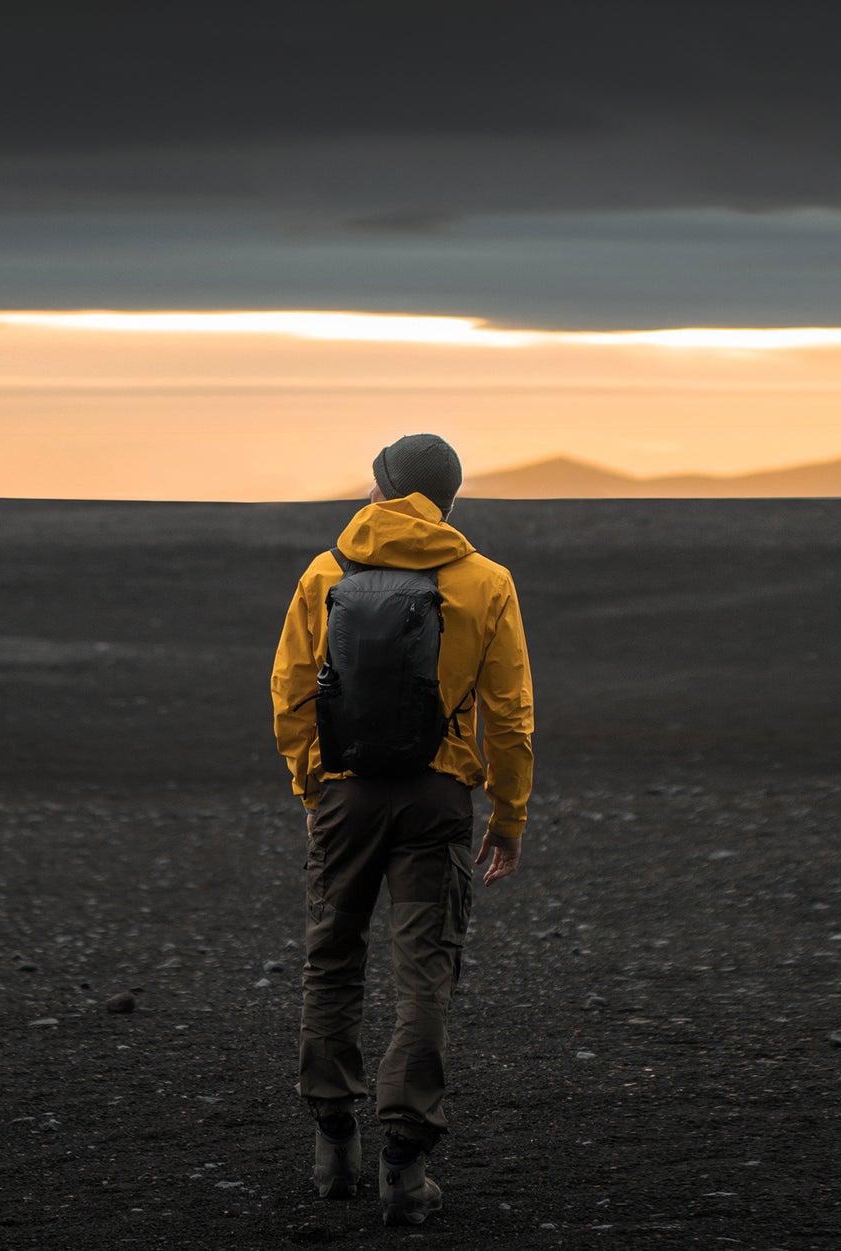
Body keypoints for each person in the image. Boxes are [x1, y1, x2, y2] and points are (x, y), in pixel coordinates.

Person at [269, 433, 534, 1226]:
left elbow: (289, 691)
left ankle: (333, 1142)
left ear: (383, 491)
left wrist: (313, 780)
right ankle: (404, 1164)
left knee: (332, 959)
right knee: (425, 971)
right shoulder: (486, 582)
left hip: (347, 793)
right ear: (448, 499)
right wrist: (509, 814)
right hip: (438, 798)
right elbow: (510, 715)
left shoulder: (326, 572)